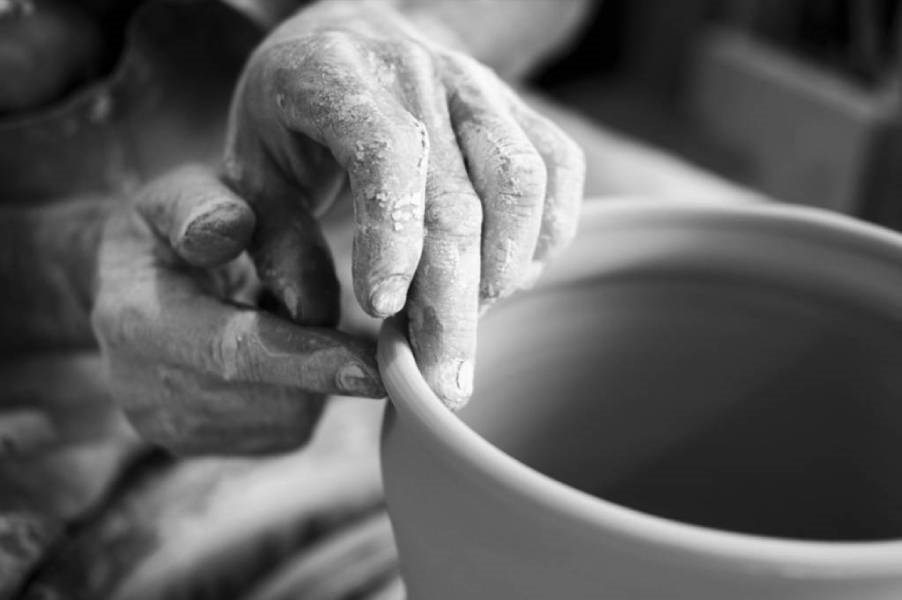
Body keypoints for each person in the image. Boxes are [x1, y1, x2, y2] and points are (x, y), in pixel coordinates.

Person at [0, 0, 589, 597]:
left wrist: (418, 25)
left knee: (609, 210)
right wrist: (78, 272)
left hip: (358, 148)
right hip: (40, 354)